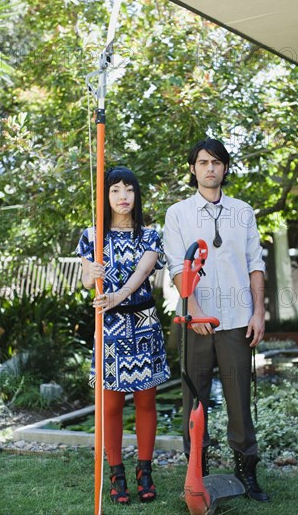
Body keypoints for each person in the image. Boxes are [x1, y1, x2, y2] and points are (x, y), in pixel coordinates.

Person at [163, 138, 269, 502]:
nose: (210, 168)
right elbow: (178, 266)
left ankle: (247, 473)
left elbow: (256, 264)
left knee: (240, 399)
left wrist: (258, 312)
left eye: (217, 162)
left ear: (225, 168)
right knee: (194, 402)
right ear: (193, 169)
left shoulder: (244, 211)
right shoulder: (178, 213)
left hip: (238, 320)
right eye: (203, 162)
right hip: (195, 323)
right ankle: (198, 474)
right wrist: (191, 313)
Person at [76, 166, 170, 505]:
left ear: (136, 194)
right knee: (111, 404)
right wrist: (92, 273)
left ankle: (145, 470)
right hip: (110, 328)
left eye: (128, 190)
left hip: (143, 323)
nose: (122, 197)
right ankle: (117, 474)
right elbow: (86, 282)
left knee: (146, 401)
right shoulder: (92, 236)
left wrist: (118, 295)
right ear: (107, 196)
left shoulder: (149, 235)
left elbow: (143, 272)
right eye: (115, 190)